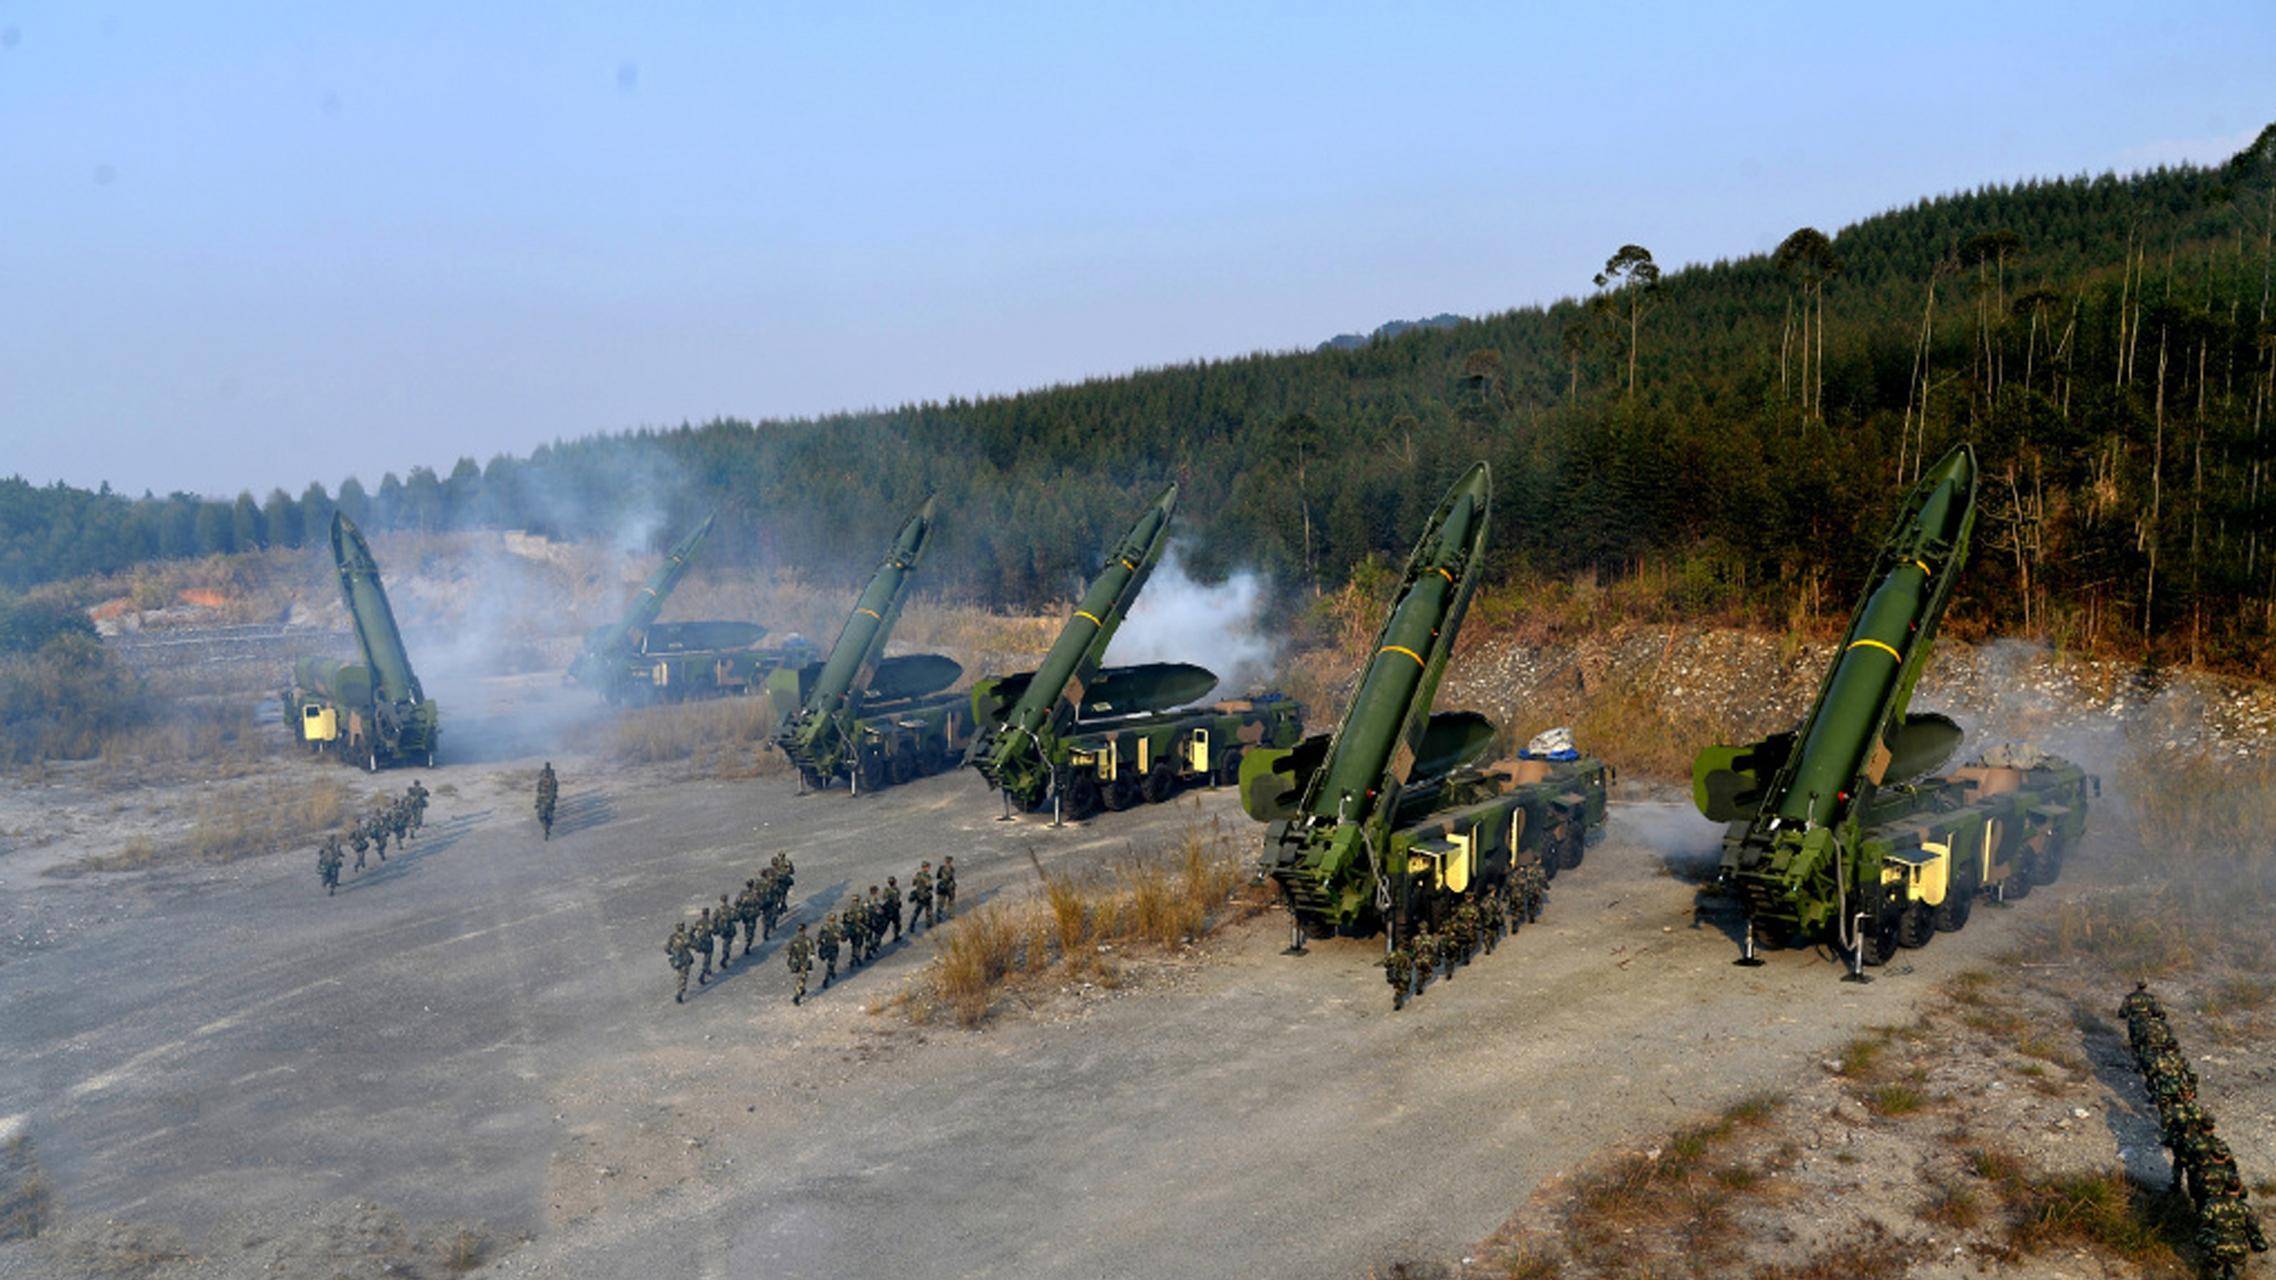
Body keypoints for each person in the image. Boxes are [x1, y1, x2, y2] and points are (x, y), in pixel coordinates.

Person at [785, 923, 814, 1005]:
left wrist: (791, 959)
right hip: (803, 961)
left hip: (795, 961)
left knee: (802, 977)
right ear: (805, 930)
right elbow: (812, 953)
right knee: (802, 977)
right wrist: (810, 960)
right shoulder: (807, 940)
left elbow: (788, 951)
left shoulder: (793, 940)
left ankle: (801, 989)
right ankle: (797, 996)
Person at [1381, 938, 1414, 1011]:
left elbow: (1386, 963)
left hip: (1394, 974)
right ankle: (1398, 998)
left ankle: (1398, 997)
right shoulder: (1405, 955)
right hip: (1402, 974)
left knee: (1397, 986)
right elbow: (1409, 966)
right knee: (1403, 988)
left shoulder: (1392, 954)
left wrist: (1389, 967)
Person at [666, 923, 694, 1003]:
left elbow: (667, 948)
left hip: (677, 959)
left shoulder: (672, 937)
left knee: (680, 974)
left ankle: (680, 990)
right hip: (685, 958)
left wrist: (673, 952)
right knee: (684, 976)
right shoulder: (686, 936)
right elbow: (691, 944)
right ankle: (680, 992)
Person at [841, 894, 868, 969]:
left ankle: (854, 957)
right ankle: (856, 958)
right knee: (858, 944)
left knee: (853, 944)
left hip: (851, 929)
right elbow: (866, 918)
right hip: (859, 929)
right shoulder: (861, 908)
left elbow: (843, 919)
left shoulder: (848, 908)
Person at [817, 912, 842, 988]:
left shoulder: (824, 927)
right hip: (833, 947)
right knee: (831, 963)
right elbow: (842, 937)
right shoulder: (837, 928)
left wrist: (820, 942)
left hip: (826, 947)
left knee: (831, 963)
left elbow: (819, 938)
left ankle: (830, 974)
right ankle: (828, 977)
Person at [737, 879, 762, 955]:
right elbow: (760, 903)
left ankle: (747, 940)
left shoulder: (742, 893)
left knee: (747, 928)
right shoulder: (756, 894)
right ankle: (747, 944)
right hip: (752, 915)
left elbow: (737, 903)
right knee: (750, 931)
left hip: (744, 914)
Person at [713, 894, 739, 966]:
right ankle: (725, 956)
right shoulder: (731, 909)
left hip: (722, 929)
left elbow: (713, 919)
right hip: (730, 929)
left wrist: (716, 929)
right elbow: (737, 918)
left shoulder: (718, 910)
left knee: (726, 942)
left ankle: (726, 955)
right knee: (727, 942)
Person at [909, 862, 935, 932]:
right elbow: (929, 886)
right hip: (926, 896)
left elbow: (913, 883)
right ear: (925, 867)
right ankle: (929, 925)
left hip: (919, 895)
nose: (929, 868)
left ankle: (911, 925)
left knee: (917, 911)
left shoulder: (918, 874)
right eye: (928, 867)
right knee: (929, 910)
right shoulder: (927, 876)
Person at [535, 762, 558, 840]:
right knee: (542, 815)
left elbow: (554, 788)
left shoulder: (551, 779)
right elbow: (539, 790)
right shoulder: (544, 779)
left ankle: (548, 827)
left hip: (547, 799)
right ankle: (547, 826)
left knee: (547, 814)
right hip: (545, 799)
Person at [694, 907, 716, 985]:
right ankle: (703, 974)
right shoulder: (710, 922)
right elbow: (714, 931)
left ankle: (708, 969)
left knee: (706, 956)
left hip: (700, 942)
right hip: (708, 941)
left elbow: (692, 931)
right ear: (708, 913)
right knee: (708, 956)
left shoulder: (698, 922)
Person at [883, 875, 905, 943]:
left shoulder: (887, 890)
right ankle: (896, 936)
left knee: (885, 925)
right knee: (897, 923)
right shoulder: (896, 890)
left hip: (888, 909)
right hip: (894, 909)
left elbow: (884, 897)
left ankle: (877, 940)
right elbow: (896, 900)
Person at [937, 856, 957, 920]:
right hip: (947, 886)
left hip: (945, 886)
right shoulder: (951, 868)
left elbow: (938, 876)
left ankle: (940, 915)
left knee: (943, 902)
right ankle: (950, 914)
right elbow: (950, 878)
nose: (948, 862)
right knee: (948, 901)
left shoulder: (942, 868)